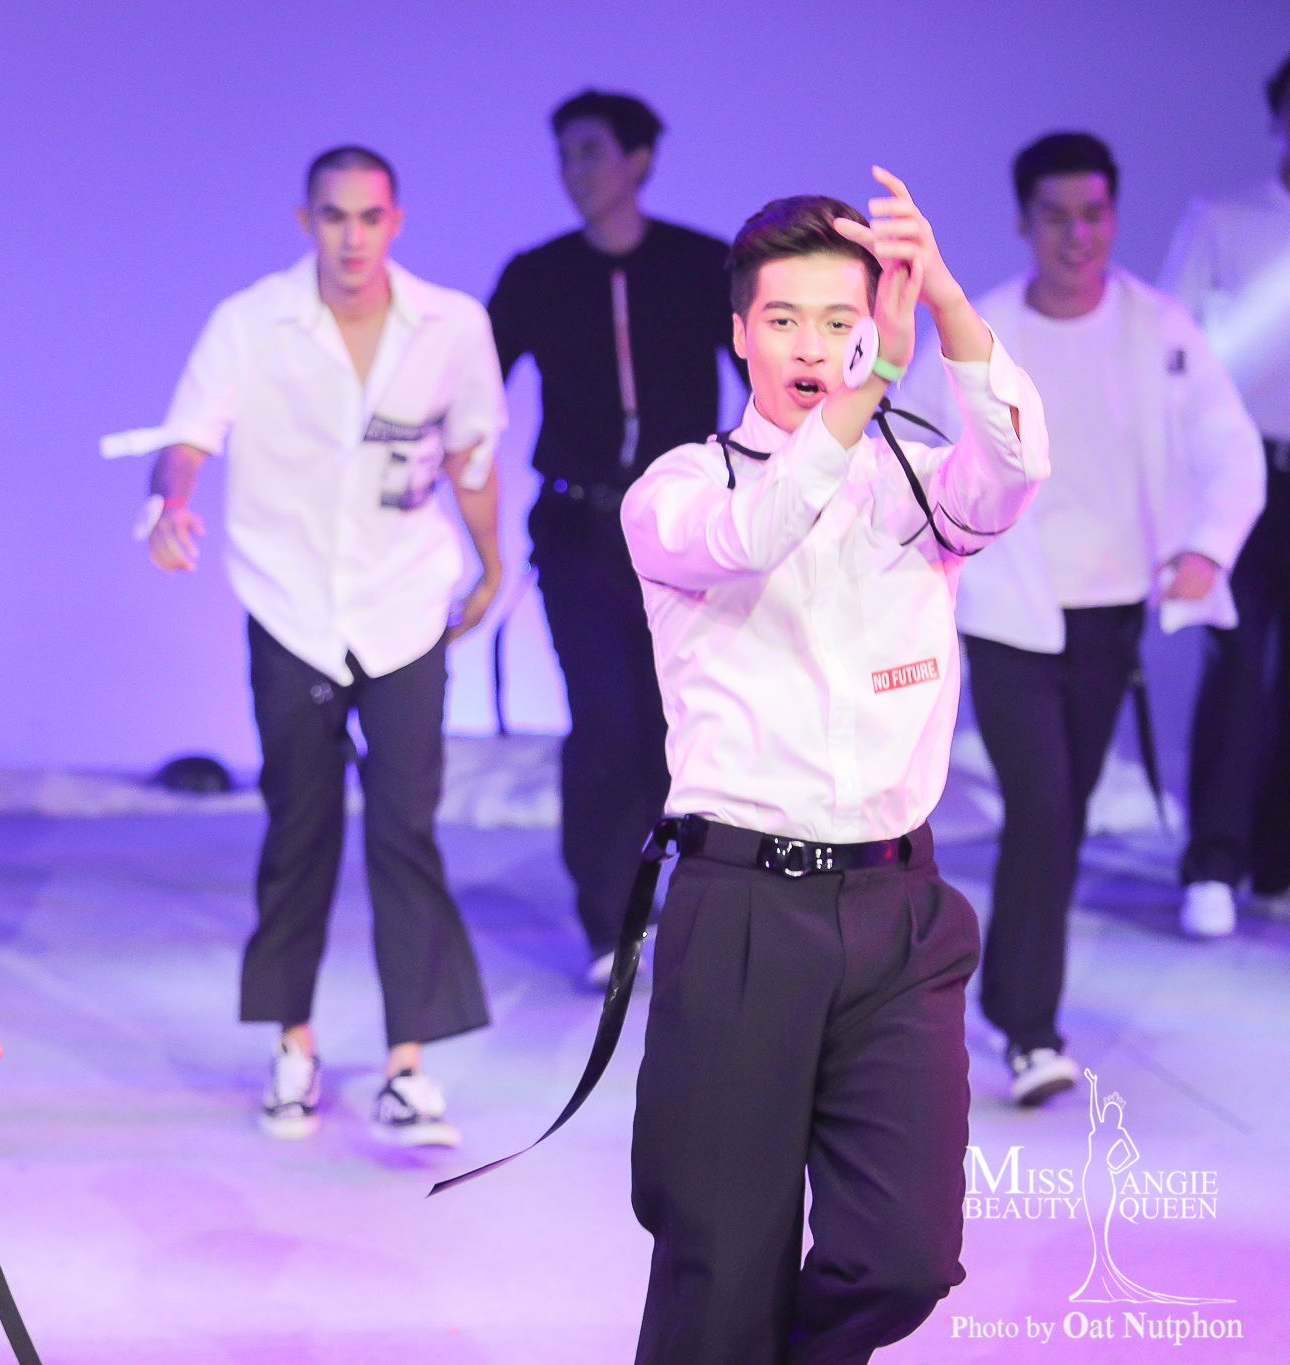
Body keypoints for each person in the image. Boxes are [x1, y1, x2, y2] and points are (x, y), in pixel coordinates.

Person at [620, 176, 1048, 1362]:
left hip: (898, 909)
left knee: (901, 1259)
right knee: (718, 1274)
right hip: (741, 910)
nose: (811, 348)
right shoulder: (681, 488)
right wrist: (865, 392)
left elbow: (1014, 469)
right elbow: (758, 531)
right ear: (737, 334)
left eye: (838, 321)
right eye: (782, 320)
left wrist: (946, 300)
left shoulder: (914, 475)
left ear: (876, 323)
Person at [116, 146, 505, 1146]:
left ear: (395, 222)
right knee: (299, 830)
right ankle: (293, 1046)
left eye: (369, 217)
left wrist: (492, 561)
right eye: (334, 216)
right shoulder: (252, 321)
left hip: (403, 606)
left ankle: (408, 1067)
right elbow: (186, 437)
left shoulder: (452, 326)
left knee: (405, 830)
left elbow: (472, 453)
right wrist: (169, 506)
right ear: (306, 221)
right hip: (289, 608)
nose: (352, 237)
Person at [903, 134, 1261, 1108]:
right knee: (1045, 808)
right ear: (1024, 222)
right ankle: (1030, 1029)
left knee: (1056, 818)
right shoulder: (981, 332)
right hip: (1005, 613)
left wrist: (1206, 547)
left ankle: (1011, 1005)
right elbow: (915, 449)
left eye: (1093, 213)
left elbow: (1232, 452)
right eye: (1055, 216)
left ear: (1113, 217)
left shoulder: (1158, 328)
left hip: (1108, 616)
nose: (1077, 234)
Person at [487, 91, 737, 985]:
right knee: (602, 718)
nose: (575, 170)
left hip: (682, 532)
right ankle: (609, 921)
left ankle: (682, 900)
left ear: (639, 161)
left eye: (592, 151)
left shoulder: (702, 265)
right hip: (579, 527)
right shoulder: (539, 274)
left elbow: (767, 374)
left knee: (678, 721)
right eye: (566, 154)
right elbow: (474, 384)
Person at [1162, 55, 1290, 930]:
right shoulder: (1225, 219)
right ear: (1278, 119)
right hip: (1245, 471)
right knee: (1237, 665)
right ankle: (1214, 860)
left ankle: (1277, 862)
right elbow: (1169, 345)